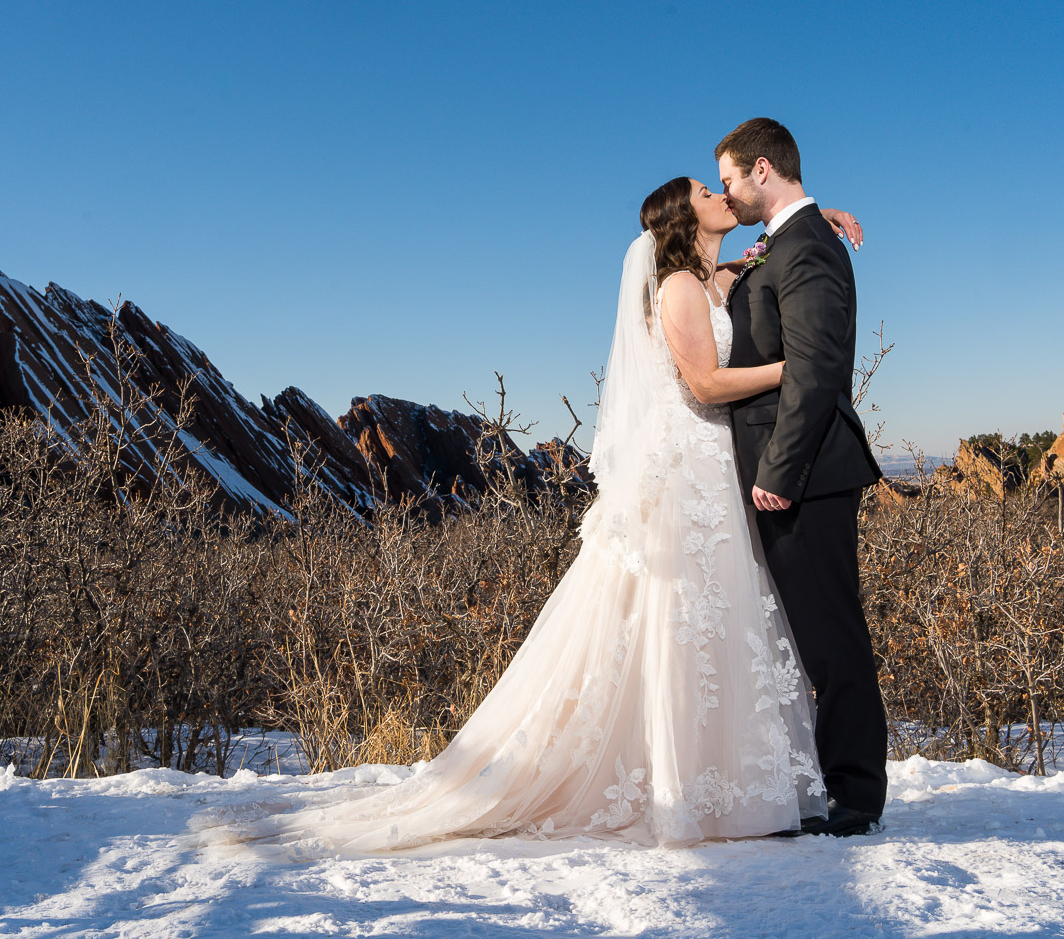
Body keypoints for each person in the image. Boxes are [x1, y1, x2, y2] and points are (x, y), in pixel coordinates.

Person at [191, 178, 865, 856]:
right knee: (682, 616)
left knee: (707, 619)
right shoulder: (682, 289)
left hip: (711, 464)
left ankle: (715, 778)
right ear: (684, 217)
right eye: (702, 189)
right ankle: (690, 784)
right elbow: (704, 384)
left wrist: (808, 220)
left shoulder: (710, 274)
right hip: (690, 466)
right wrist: (792, 369)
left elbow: (758, 257)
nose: (717, 191)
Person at [716, 117, 887, 837]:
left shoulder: (807, 246)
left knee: (830, 636)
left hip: (804, 474)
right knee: (803, 635)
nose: (726, 195)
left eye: (728, 179)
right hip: (782, 469)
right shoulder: (790, 239)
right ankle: (829, 782)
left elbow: (817, 369)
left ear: (761, 169)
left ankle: (855, 797)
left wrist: (779, 472)